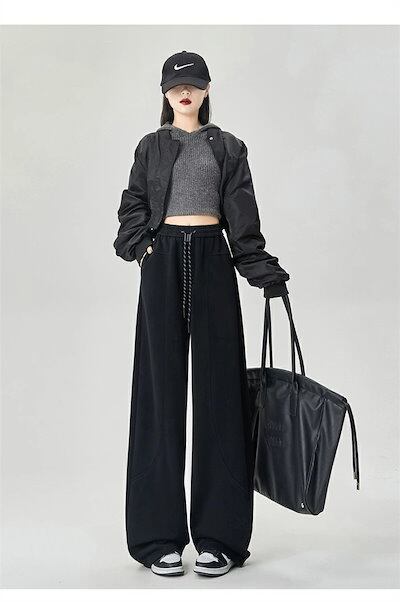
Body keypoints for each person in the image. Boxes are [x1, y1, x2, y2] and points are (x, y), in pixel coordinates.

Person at [113, 50, 290, 577]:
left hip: (213, 260)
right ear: (165, 93)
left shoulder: (228, 146)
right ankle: (157, 539)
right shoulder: (150, 146)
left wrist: (262, 271)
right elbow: (133, 204)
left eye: (193, 84)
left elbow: (243, 217)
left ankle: (220, 539)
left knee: (220, 399)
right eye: (175, 86)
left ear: (207, 89)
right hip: (163, 261)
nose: (184, 92)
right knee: (158, 399)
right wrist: (143, 246)